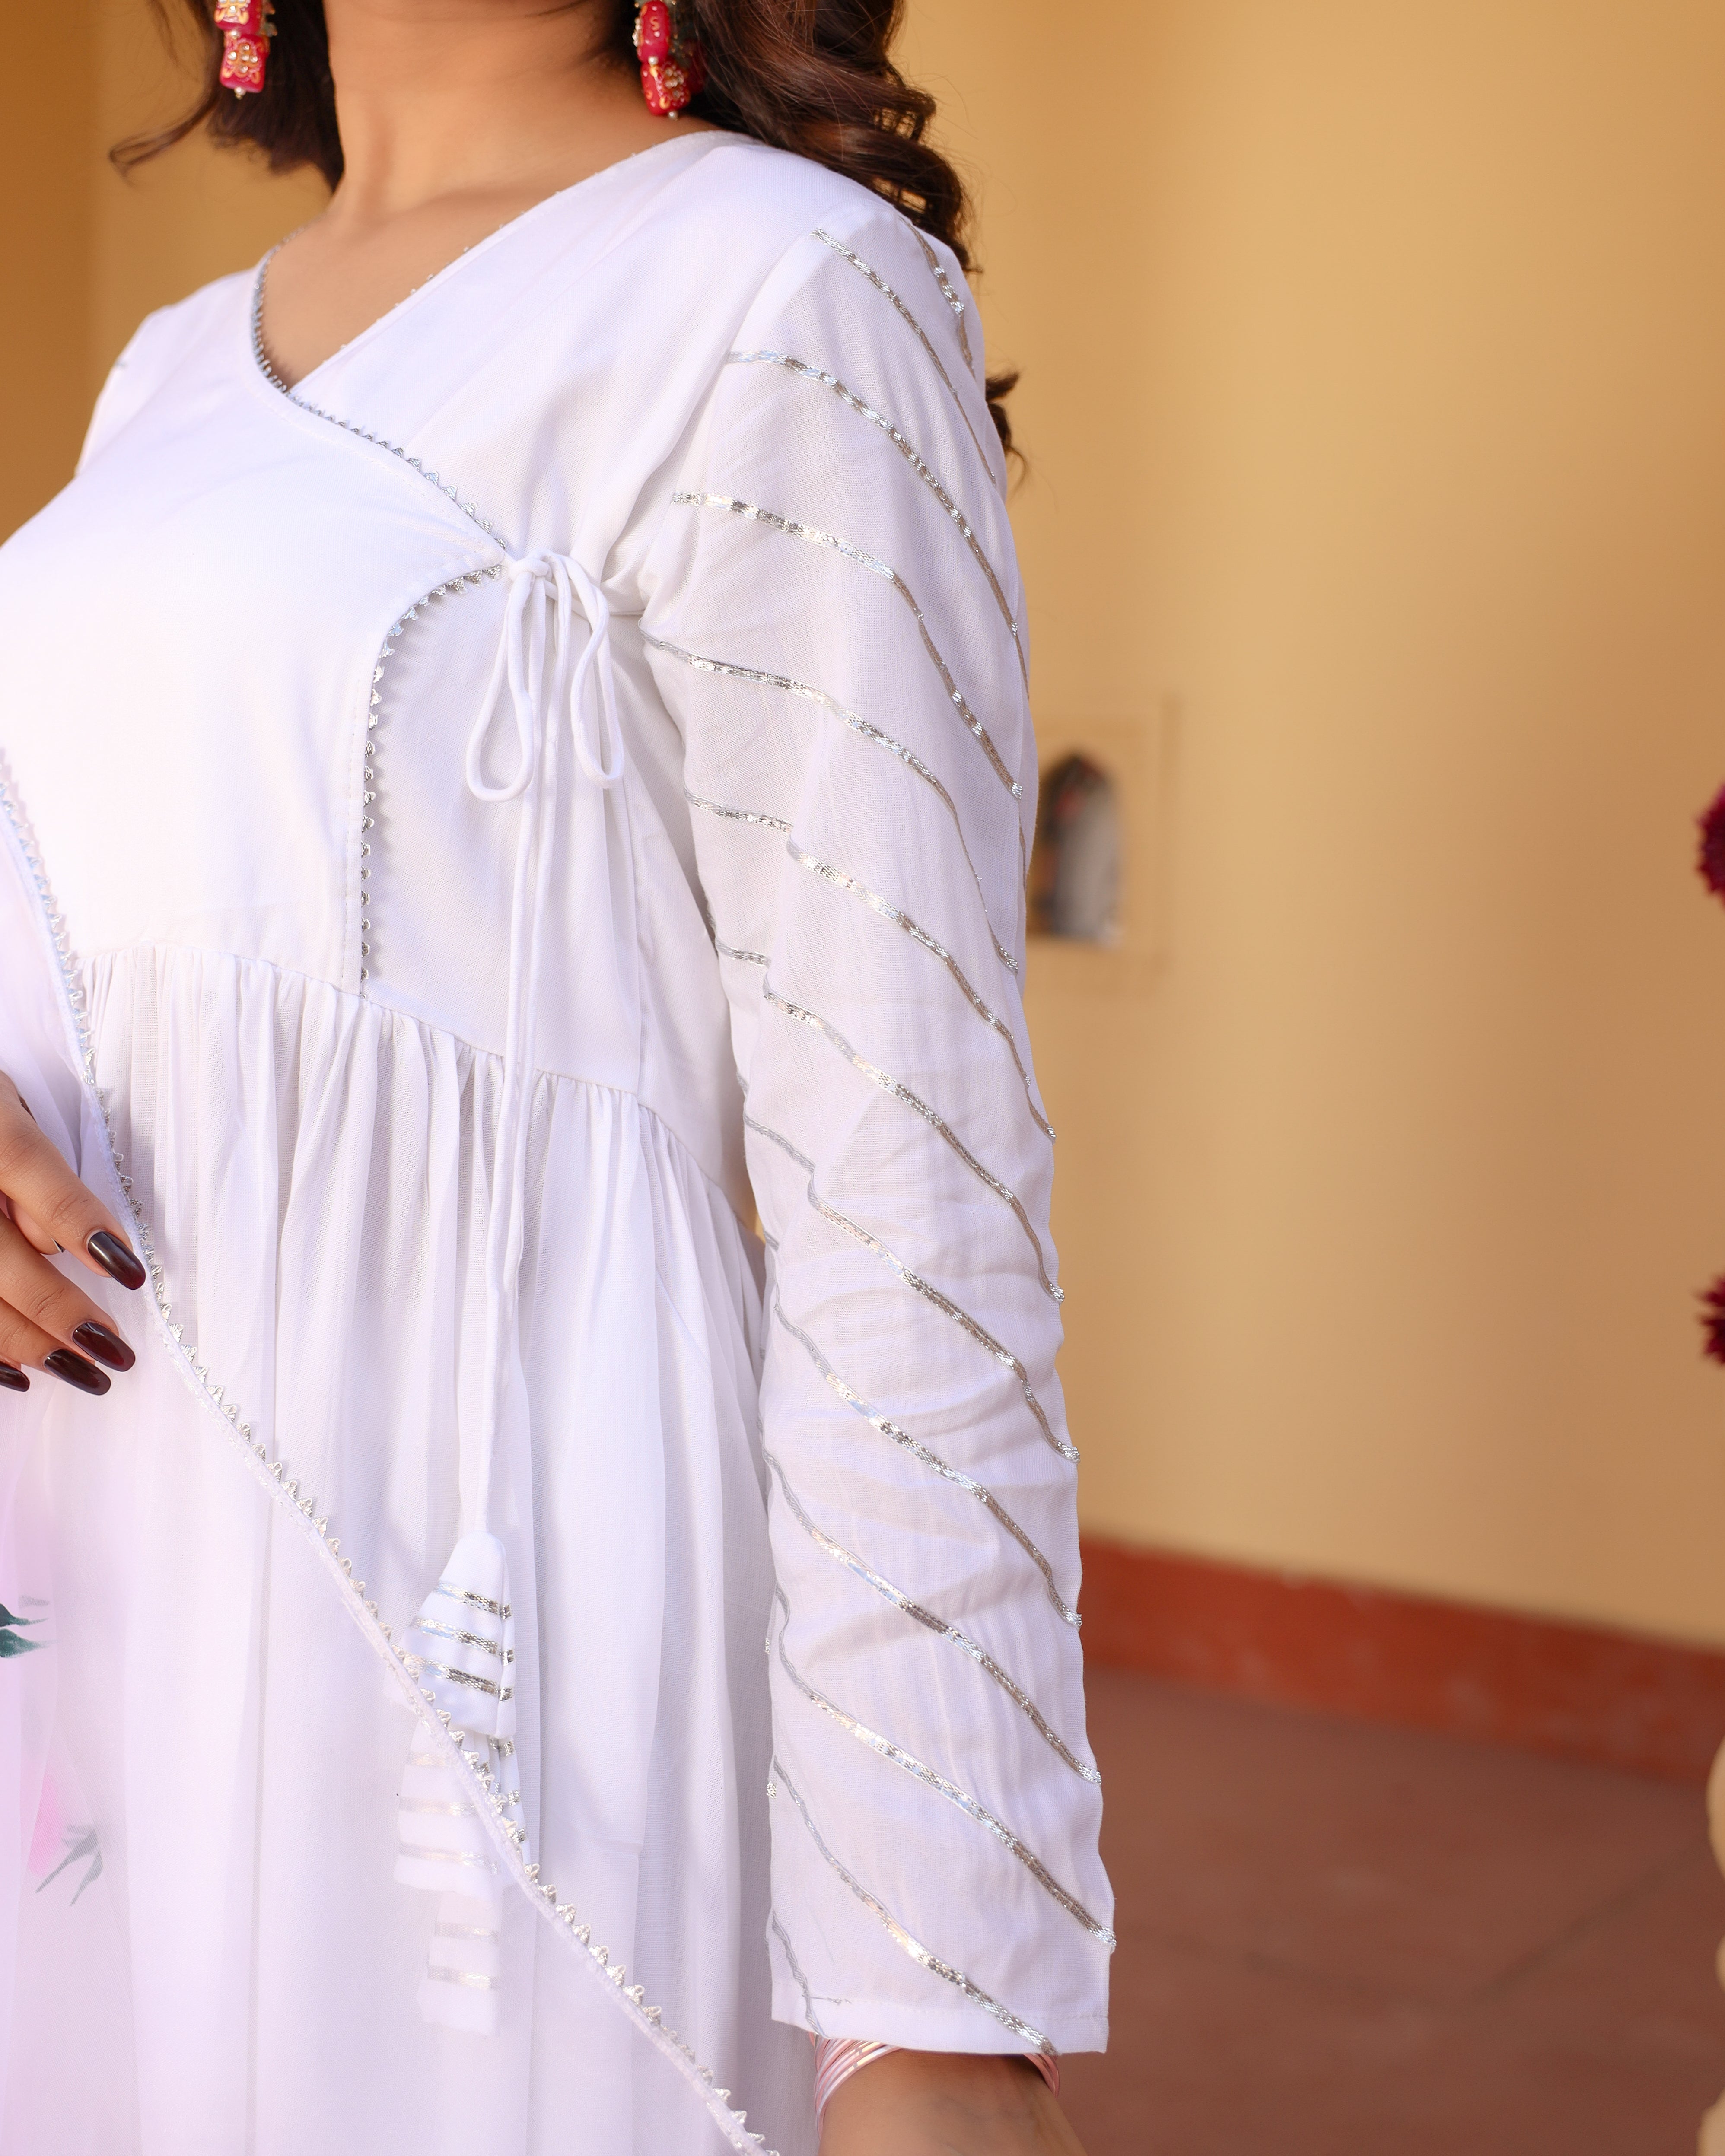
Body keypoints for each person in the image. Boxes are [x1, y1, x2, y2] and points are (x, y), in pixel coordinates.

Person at [0, 1, 1111, 2149]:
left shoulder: (780, 282)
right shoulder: (167, 367)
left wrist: (934, 2002)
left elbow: (910, 1176)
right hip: (104, 1578)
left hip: (487, 1619)